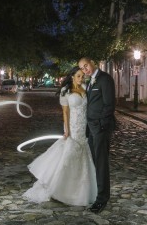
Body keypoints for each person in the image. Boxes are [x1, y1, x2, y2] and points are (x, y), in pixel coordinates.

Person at [23, 66, 97, 206]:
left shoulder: (85, 88)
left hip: (84, 128)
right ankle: (59, 189)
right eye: (79, 76)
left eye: (82, 76)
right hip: (73, 128)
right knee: (68, 157)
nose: (81, 78)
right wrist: (67, 130)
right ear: (72, 77)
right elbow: (65, 112)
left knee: (83, 157)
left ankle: (81, 191)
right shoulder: (66, 91)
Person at [78, 57, 116, 213]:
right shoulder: (90, 81)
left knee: (101, 164)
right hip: (91, 128)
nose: (85, 69)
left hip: (100, 128)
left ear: (92, 62)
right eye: (82, 67)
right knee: (95, 162)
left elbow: (109, 105)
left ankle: (102, 200)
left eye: (86, 65)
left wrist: (101, 125)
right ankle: (97, 194)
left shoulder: (105, 79)